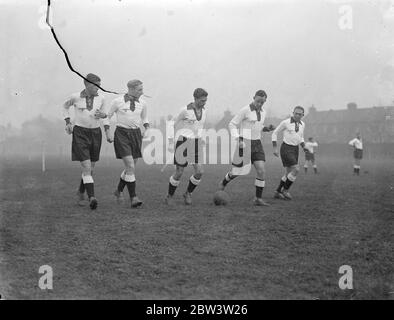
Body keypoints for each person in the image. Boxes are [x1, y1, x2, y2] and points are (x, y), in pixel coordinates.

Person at [218, 90, 275, 206]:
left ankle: (258, 199)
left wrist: (266, 128)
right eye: (258, 101)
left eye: (262, 102)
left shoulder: (263, 112)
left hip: (257, 143)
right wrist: (237, 138)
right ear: (253, 98)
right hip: (244, 143)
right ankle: (223, 182)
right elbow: (232, 124)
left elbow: (257, 126)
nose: (260, 104)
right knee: (237, 172)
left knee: (261, 170)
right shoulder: (245, 110)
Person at [62, 73, 110, 210]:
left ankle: (80, 192)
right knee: (87, 167)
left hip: (96, 133)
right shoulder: (75, 97)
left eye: (100, 86)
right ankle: (92, 197)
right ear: (87, 84)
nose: (99, 88)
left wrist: (106, 127)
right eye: (96, 85)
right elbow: (64, 107)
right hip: (80, 133)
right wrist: (68, 122)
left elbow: (105, 115)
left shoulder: (102, 98)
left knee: (91, 168)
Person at [106, 79, 149, 208]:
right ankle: (133, 198)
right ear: (130, 89)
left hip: (136, 135)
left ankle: (118, 191)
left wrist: (146, 129)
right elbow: (107, 116)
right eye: (139, 89)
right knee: (130, 165)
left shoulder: (143, 103)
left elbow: (145, 118)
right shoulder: (117, 101)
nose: (142, 92)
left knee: (130, 167)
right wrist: (108, 131)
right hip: (122, 134)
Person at [165, 88, 208, 205]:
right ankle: (169, 196)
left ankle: (188, 193)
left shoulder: (204, 111)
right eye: (202, 101)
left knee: (199, 171)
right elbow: (171, 123)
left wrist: (201, 138)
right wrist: (170, 141)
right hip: (183, 142)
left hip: (196, 143)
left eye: (205, 101)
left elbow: (200, 127)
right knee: (179, 172)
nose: (204, 103)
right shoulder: (185, 110)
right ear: (195, 99)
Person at [272, 106, 308, 200]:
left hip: (295, 149)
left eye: (300, 114)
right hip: (286, 148)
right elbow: (275, 133)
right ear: (293, 113)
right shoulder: (286, 122)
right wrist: (275, 147)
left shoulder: (303, 124)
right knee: (296, 169)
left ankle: (277, 191)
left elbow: (301, 137)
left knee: (288, 172)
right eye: (296, 113)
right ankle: (285, 190)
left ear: (302, 115)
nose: (297, 115)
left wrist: (304, 147)